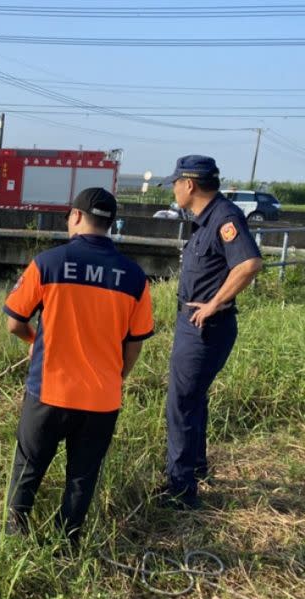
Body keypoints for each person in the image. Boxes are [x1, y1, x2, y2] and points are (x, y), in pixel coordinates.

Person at [3, 187, 154, 543]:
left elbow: (14, 320)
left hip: (48, 391)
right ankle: (67, 541)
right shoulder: (134, 278)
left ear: (75, 217)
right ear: (110, 224)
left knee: (28, 466)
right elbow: (135, 345)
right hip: (101, 399)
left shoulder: (48, 263)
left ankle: (16, 535)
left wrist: (33, 341)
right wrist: (116, 378)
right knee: (82, 476)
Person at [159, 155, 262, 509]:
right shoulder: (206, 220)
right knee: (194, 400)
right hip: (196, 326)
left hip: (204, 328)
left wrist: (214, 302)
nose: (173, 189)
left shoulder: (224, 217)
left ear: (189, 185)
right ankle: (195, 468)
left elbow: (249, 263)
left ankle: (180, 490)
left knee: (181, 404)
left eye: (175, 183)